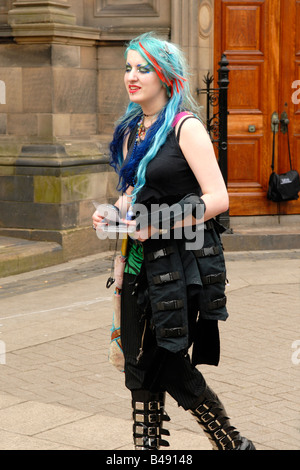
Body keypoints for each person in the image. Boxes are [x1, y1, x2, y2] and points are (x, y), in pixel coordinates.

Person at [93, 32, 256, 451]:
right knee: (137, 358)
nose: (132, 76)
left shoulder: (187, 128)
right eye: (128, 67)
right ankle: (157, 448)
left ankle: (231, 443)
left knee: (164, 359)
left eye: (142, 68)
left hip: (179, 267)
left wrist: (159, 222)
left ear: (166, 76)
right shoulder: (132, 131)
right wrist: (114, 211)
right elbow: (133, 194)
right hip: (134, 263)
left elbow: (218, 198)